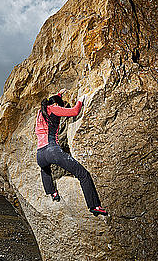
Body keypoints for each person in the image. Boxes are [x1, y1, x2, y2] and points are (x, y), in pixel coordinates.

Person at [35, 88, 108, 216]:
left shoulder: (40, 112)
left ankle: (52, 192)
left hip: (40, 154)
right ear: (56, 104)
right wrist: (80, 100)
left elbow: (51, 102)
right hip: (52, 150)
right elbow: (74, 112)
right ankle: (94, 206)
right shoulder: (54, 109)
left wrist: (58, 94)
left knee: (44, 169)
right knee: (83, 174)